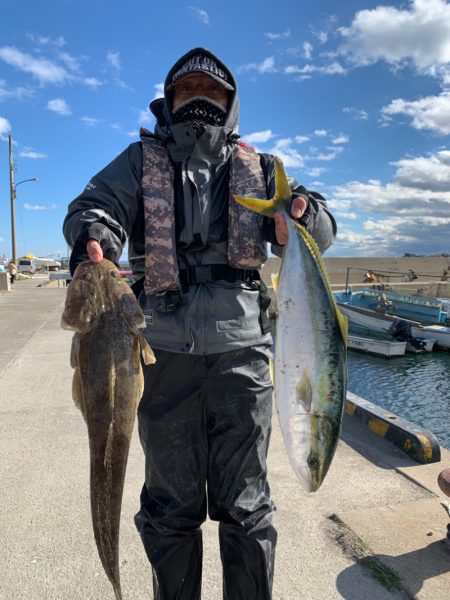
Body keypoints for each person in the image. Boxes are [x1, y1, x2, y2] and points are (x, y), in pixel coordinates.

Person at [63, 47, 336, 600]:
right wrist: (94, 232)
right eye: (187, 91)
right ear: (170, 99)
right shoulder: (140, 162)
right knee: (170, 509)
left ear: (230, 103)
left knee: (248, 507)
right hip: (164, 358)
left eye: (210, 92)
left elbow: (323, 230)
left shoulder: (261, 170)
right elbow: (97, 206)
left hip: (245, 359)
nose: (198, 99)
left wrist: (303, 216)